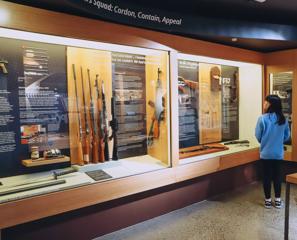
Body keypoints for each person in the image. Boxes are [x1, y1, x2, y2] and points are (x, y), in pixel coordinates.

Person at [255, 95, 290, 209]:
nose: (264, 105)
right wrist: (278, 141)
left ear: (271, 105)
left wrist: (265, 141)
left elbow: (258, 135)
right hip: (278, 154)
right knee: (277, 177)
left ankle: (268, 201)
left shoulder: (262, 118)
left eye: (266, 103)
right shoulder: (283, 119)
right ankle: (278, 200)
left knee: (266, 177)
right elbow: (287, 136)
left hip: (265, 154)